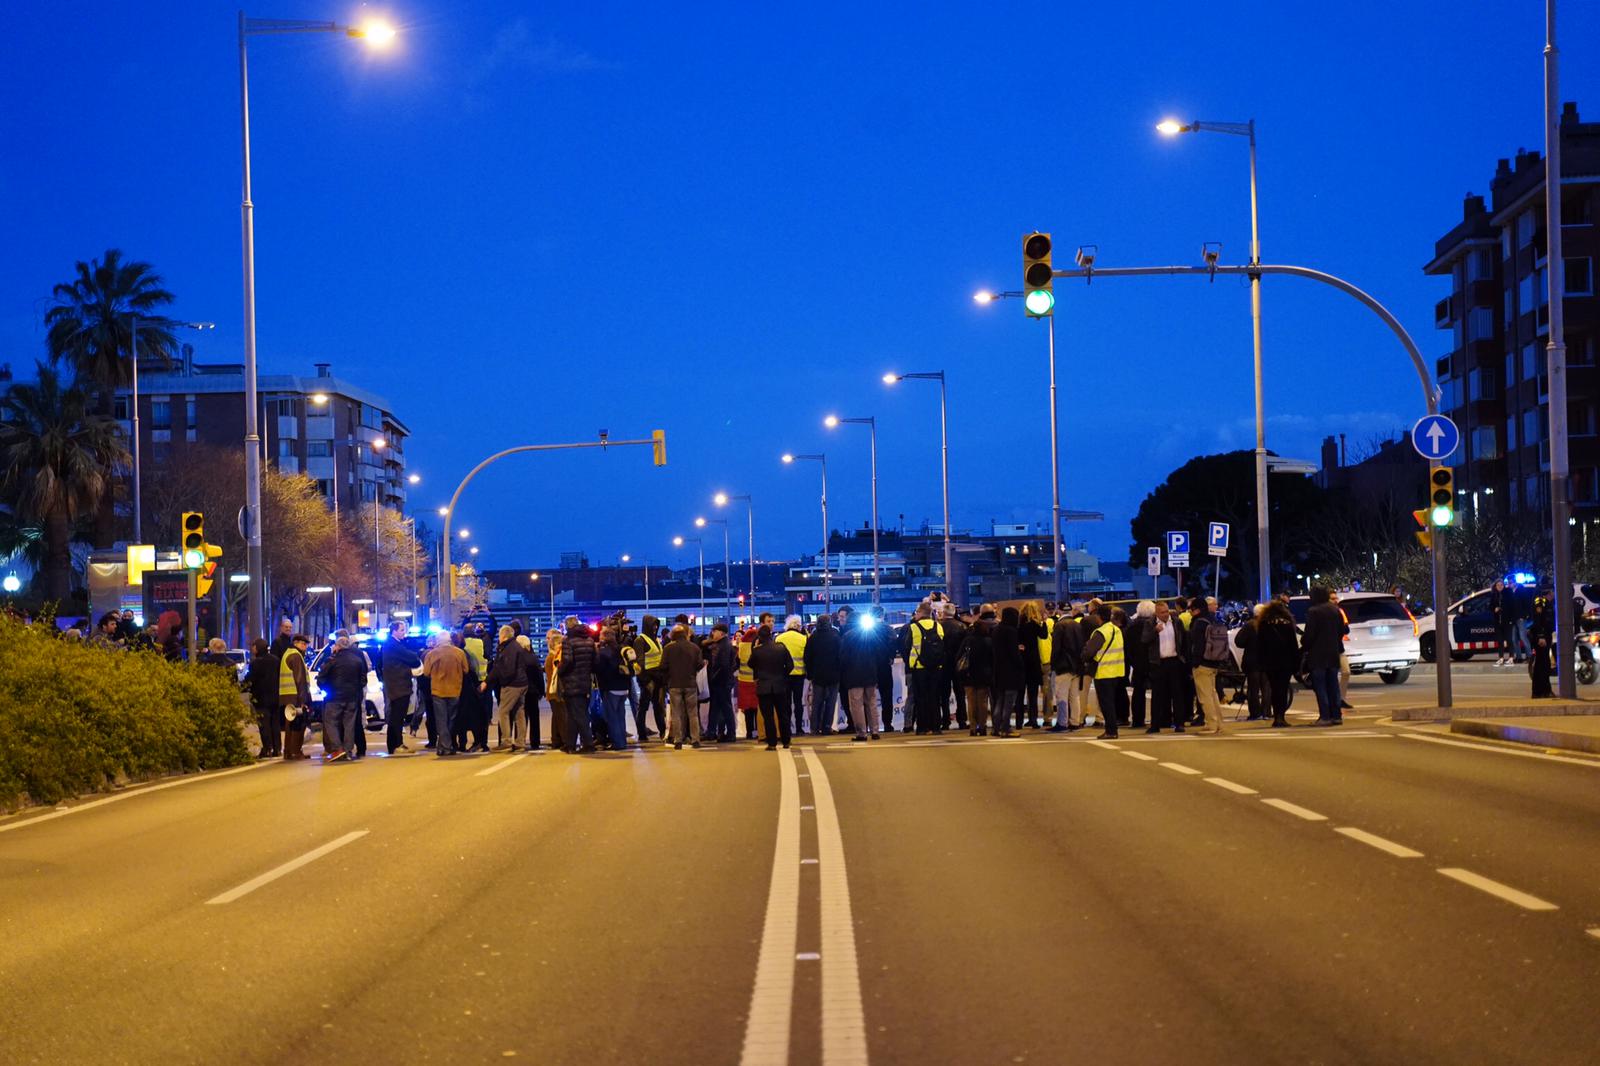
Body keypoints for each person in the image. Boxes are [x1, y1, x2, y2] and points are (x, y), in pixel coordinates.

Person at [1300, 586, 1348, 726]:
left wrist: (1305, 645)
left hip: (1318, 654)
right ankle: (1336, 715)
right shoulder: (1335, 610)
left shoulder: (1313, 611)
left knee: (1320, 686)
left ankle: (1325, 716)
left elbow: (1310, 635)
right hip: (1333, 652)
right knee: (1333, 685)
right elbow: (1341, 631)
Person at [318, 633, 369, 762]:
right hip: (352, 698)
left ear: (338, 646)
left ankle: (337, 748)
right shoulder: (357, 660)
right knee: (349, 724)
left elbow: (321, 679)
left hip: (334, 698)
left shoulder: (332, 660)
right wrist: (356, 690)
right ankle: (348, 750)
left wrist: (327, 689)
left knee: (331, 723)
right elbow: (363, 680)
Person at [485, 623, 534, 751]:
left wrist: (502, 681)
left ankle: (506, 741)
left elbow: (506, 668)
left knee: (503, 711)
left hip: (512, 684)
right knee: (519, 712)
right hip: (522, 683)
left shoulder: (508, 649)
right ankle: (520, 742)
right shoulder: (515, 646)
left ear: (503, 635)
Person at [1143, 600, 1188, 733]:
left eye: (1167, 611)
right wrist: (1154, 631)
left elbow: (1183, 640)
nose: (1166, 614)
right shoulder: (1150, 623)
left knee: (1177, 694)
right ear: (1156, 613)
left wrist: (1183, 659)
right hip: (1159, 663)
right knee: (1157, 696)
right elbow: (1144, 640)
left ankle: (1179, 723)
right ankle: (1155, 725)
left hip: (1174, 661)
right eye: (1162, 612)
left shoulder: (1176, 622)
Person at [900, 602, 946, 735]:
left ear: (920, 613)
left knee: (921, 698)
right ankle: (936, 726)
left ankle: (922, 727)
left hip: (919, 667)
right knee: (935, 697)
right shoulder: (938, 626)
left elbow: (907, 646)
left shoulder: (914, 627)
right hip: (936, 667)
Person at [1186, 599, 1230, 735]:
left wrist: (1194, 663)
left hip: (1202, 664)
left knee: (1205, 697)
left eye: (1191, 610)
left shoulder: (1199, 624)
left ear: (1197, 610)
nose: (1190, 612)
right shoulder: (1213, 620)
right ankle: (1219, 724)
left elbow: (1197, 646)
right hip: (1214, 662)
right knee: (1213, 694)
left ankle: (1211, 724)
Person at [1081, 604, 1125, 739]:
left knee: (1106, 704)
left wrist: (1084, 655)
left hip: (1103, 671)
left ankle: (1111, 731)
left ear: (1098, 617)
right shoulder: (1117, 630)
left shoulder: (1101, 632)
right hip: (1116, 671)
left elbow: (1089, 652)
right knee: (1111, 703)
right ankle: (1112, 729)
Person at [422, 632, 469, 756]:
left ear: (438, 641)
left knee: (441, 720)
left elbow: (426, 672)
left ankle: (445, 747)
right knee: (451, 719)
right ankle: (443, 746)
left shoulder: (432, 654)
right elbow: (466, 669)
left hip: (438, 690)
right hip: (455, 689)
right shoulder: (459, 653)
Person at [749, 625, 794, 751]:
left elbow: (750, 664)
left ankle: (772, 743)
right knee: (783, 714)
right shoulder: (781, 647)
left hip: (764, 687)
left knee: (768, 716)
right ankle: (786, 741)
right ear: (771, 634)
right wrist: (783, 675)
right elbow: (790, 665)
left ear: (759, 636)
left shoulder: (757, 651)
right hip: (780, 685)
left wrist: (756, 648)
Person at [1256, 600, 1300, 728]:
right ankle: (1281, 716)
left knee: (1274, 689)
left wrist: (1261, 662)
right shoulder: (1287, 624)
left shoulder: (1264, 624)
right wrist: (1296, 663)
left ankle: (1276, 717)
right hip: (1285, 662)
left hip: (1270, 662)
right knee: (1283, 689)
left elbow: (1260, 645)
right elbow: (1293, 645)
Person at [840, 609, 883, 741]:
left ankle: (861, 733)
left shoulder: (847, 636)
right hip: (870, 672)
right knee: (871, 702)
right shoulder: (870, 634)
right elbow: (878, 653)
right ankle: (875, 730)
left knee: (857, 705)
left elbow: (843, 657)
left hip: (854, 675)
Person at [557, 616, 598, 753]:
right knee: (576, 714)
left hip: (571, 682)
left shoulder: (568, 641)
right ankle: (570, 744)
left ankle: (588, 744)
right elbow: (595, 662)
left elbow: (567, 660)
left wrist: (560, 670)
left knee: (578, 715)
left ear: (568, 627)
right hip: (585, 682)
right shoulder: (589, 640)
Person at [381, 621, 422, 755]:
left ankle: (394, 744)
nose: (404, 632)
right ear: (394, 631)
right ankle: (396, 744)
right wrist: (412, 662)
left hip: (395, 685)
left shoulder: (390, 644)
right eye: (402, 630)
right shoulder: (394, 645)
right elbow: (413, 658)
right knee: (397, 717)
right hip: (398, 686)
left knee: (396, 716)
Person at [663, 623, 705, 749]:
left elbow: (663, 666)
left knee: (676, 713)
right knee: (693, 713)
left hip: (674, 684)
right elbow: (700, 664)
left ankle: (678, 740)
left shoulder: (668, 648)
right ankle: (695, 739)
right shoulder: (694, 647)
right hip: (690, 683)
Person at [1050, 603, 1088, 732]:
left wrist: (1053, 665)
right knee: (1074, 695)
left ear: (1059, 611)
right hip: (1077, 666)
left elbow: (1056, 648)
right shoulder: (1077, 625)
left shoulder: (1059, 625)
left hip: (1063, 665)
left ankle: (1062, 722)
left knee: (1061, 695)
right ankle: (1075, 721)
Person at [594, 627, 633, 751]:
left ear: (604, 637)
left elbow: (598, 669)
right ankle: (622, 741)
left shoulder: (604, 652)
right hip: (624, 687)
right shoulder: (621, 649)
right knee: (620, 715)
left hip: (610, 688)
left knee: (612, 717)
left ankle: (618, 743)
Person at [805, 613, 842, 737]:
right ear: (830, 622)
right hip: (833, 675)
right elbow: (840, 655)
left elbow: (807, 657)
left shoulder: (813, 637)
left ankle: (814, 729)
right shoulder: (836, 636)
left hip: (818, 675)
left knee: (817, 703)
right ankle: (827, 727)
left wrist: (810, 674)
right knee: (830, 703)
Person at [991, 607, 1026, 738]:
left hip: (998, 669)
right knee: (1009, 701)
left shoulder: (996, 630)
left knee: (999, 700)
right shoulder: (1011, 631)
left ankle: (996, 727)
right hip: (1011, 670)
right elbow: (1013, 653)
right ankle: (1006, 728)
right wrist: (1020, 661)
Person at [245, 637, 282, 758]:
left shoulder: (256, 663)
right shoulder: (276, 660)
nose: (252, 649)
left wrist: (244, 686)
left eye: (254, 647)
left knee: (264, 724)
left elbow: (251, 679)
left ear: (257, 648)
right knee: (275, 723)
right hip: (275, 697)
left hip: (261, 698)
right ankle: (277, 748)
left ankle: (267, 748)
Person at [633, 615, 668, 741]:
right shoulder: (640, 640)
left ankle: (663, 732)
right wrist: (645, 680)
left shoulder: (656, 639)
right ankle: (642, 734)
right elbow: (639, 663)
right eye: (653, 624)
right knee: (643, 707)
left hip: (658, 678)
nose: (655, 627)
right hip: (647, 679)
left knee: (658, 707)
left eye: (656, 625)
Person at [962, 607, 996, 735]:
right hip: (984, 675)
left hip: (969, 674)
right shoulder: (988, 641)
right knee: (982, 701)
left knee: (971, 702)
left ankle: (972, 726)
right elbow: (993, 658)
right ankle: (982, 726)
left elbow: (959, 656)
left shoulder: (968, 640)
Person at [278, 633, 312, 760]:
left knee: (290, 725)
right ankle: (295, 751)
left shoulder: (287, 654)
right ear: (295, 643)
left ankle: (288, 751)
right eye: (302, 644)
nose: (305, 647)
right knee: (298, 724)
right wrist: (303, 701)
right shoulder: (296, 656)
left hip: (286, 695)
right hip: (295, 696)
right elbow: (300, 680)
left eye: (306, 644)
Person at [1234, 604, 1269, 720]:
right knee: (1266, 688)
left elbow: (1239, 641)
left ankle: (1255, 713)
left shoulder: (1249, 625)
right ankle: (1266, 712)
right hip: (1266, 661)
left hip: (1252, 661)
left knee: (1253, 689)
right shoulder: (1269, 624)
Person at [775, 615, 809, 734]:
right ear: (798, 625)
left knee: (786, 703)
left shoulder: (779, 638)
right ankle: (799, 728)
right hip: (799, 674)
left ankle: (787, 728)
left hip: (784, 674)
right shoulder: (804, 638)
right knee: (798, 702)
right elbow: (808, 656)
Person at [705, 622, 738, 742]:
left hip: (721, 682)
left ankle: (730, 733)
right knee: (716, 708)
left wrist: (713, 678)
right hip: (722, 681)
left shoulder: (723, 646)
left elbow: (722, 665)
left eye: (714, 631)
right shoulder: (722, 644)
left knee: (725, 708)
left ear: (721, 633)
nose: (712, 633)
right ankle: (711, 732)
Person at [1126, 602, 1154, 730]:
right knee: (1158, 691)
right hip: (1153, 662)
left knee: (1138, 692)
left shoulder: (1132, 627)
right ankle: (1158, 718)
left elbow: (1128, 647)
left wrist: (1133, 661)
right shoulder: (1154, 625)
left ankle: (1138, 720)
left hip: (1138, 663)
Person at [940, 603, 968, 731]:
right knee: (960, 693)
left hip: (943, 664)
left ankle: (945, 721)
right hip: (958, 664)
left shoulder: (938, 626)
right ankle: (962, 720)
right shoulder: (961, 626)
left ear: (944, 613)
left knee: (944, 694)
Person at [544, 629, 566, 752]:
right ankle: (563, 740)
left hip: (553, 692)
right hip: (555, 692)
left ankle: (556, 740)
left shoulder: (552, 657)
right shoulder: (553, 658)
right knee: (561, 717)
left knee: (557, 717)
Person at [1529, 597, 1555, 697]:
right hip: (1541, 639)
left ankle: (1544, 690)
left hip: (1546, 637)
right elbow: (1538, 618)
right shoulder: (1539, 601)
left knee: (1545, 664)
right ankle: (1540, 691)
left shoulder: (1547, 602)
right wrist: (1541, 636)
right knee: (1542, 665)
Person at [1490, 579, 1511, 667]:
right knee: (1500, 640)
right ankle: (1501, 658)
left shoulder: (1507, 594)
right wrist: (1494, 609)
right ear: (1495, 586)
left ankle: (1511, 657)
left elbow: (1511, 606)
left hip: (1506, 620)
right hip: (1498, 621)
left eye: (1501, 585)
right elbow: (1490, 606)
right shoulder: (1493, 595)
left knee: (1509, 640)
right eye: (1498, 585)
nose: (1500, 587)